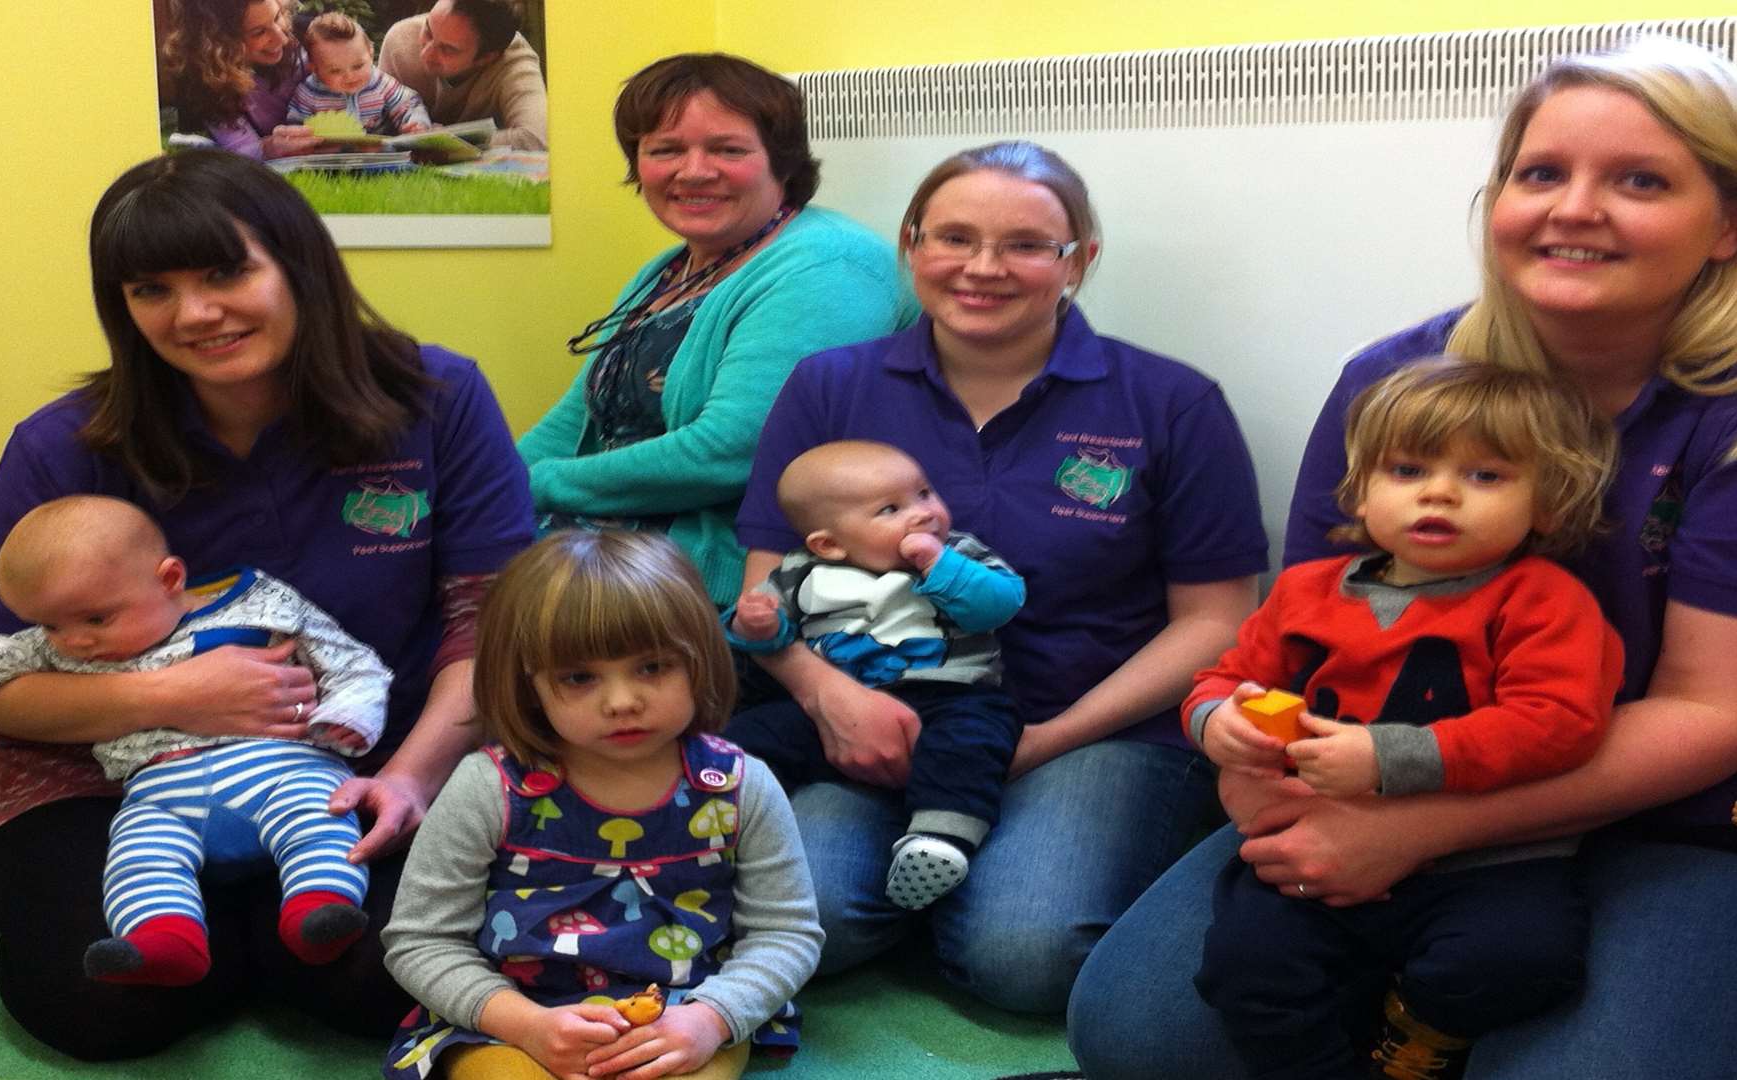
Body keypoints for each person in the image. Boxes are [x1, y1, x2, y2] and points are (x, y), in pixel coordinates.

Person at [1070, 36, 1737, 1080]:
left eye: (1641, 181)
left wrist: (1418, 833)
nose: (1573, 208)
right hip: (1379, 782)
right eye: (1541, 173)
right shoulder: (1396, 382)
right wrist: (1251, 769)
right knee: (1144, 1039)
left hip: (1684, 827)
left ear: (1733, 223)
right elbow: (1299, 641)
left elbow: (1719, 712)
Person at [0, 149, 535, 1060]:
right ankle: (219, 924)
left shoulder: (435, 397)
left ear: (298, 263)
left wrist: (411, 780)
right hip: (106, 778)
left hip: (359, 764)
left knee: (385, 981)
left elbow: (488, 627)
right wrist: (171, 699)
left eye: (227, 272)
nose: (195, 314)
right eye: (153, 289)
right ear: (123, 307)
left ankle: (257, 923)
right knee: (98, 1006)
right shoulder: (61, 447)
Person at [737, 140, 1266, 1013]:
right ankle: (941, 869)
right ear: (911, 245)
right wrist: (832, 699)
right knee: (808, 922)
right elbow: (770, 582)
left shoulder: (1170, 403)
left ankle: (973, 883)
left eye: (1026, 244)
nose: (983, 268)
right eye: (953, 237)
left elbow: (1216, 622)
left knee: (1025, 959)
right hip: (882, 708)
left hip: (1090, 725)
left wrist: (1046, 740)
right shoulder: (829, 386)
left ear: (1080, 261)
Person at [1189, 359, 1625, 1079]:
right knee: (1245, 967)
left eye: (1486, 476)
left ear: (1546, 505)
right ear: (1362, 494)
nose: (1440, 494)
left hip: (1488, 863)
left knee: (1523, 961)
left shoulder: (1542, 599)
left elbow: (1559, 722)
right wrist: (1216, 724)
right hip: (1309, 841)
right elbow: (1224, 680)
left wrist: (1389, 757)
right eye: (1408, 470)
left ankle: (1418, 1027)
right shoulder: (1304, 591)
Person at [382, 530, 821, 1080]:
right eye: (579, 677)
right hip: (511, 1018)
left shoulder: (741, 784)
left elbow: (786, 934)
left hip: (685, 1013)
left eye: (653, 666)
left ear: (700, 660)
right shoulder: (486, 787)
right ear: (529, 683)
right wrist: (524, 1024)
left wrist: (711, 1019)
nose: (622, 702)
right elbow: (421, 939)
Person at [0, 495, 391, 987]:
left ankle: (318, 913)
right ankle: (164, 941)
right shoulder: (58, 640)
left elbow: (352, 663)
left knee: (320, 818)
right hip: (161, 793)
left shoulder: (264, 607)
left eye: (97, 620)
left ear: (169, 580)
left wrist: (348, 717)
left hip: (279, 768)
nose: (75, 641)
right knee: (137, 855)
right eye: (52, 625)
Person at [516, 52, 913, 608]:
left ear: (782, 160)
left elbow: (730, 452)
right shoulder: (670, 268)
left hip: (726, 570)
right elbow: (576, 418)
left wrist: (535, 486)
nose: (694, 171)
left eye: (728, 149)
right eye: (666, 150)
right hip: (622, 537)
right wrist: (488, 483)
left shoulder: (828, 266)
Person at [724, 440, 1026, 911]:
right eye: (891, 509)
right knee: (749, 734)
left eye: (925, 493)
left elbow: (1000, 603)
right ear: (829, 544)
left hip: (950, 695)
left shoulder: (958, 552)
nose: (923, 514)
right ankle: (723, 819)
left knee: (972, 742)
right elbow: (765, 637)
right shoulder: (800, 572)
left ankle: (939, 840)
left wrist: (937, 565)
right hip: (837, 708)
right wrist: (756, 624)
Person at [158, 0, 325, 158]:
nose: (282, 38)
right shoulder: (211, 81)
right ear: (221, 42)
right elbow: (243, 148)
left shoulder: (310, 38)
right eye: (259, 32)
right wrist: (268, 147)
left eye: (277, 17)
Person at [378, 0, 548, 150]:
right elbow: (373, 127)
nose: (425, 54)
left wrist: (444, 139)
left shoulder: (514, 62)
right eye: (428, 31)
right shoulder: (400, 41)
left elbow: (535, 138)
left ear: (486, 58)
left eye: (447, 49)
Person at [285, 12, 431, 136]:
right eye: (335, 70)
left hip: (380, 154)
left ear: (370, 53)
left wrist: (415, 124)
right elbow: (295, 129)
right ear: (314, 68)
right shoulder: (308, 94)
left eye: (358, 66)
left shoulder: (379, 83)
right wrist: (305, 140)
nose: (350, 76)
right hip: (330, 158)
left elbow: (408, 104)